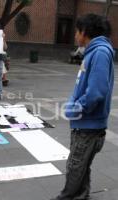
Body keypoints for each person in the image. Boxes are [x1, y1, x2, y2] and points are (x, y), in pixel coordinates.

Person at [52, 14, 115, 200]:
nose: (75, 35)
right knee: (82, 163)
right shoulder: (94, 52)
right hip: (86, 123)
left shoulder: (100, 52)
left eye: (77, 31)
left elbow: (97, 92)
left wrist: (75, 108)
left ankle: (68, 196)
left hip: (89, 124)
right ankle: (82, 194)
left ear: (85, 32)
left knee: (75, 164)